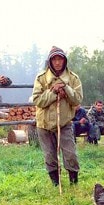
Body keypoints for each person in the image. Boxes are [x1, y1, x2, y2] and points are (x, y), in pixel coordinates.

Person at [31, 46, 83, 186]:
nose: (58, 62)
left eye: (60, 59)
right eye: (54, 59)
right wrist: (53, 92)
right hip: (44, 124)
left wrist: (65, 89)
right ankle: (56, 184)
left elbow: (77, 99)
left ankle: (74, 182)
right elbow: (37, 100)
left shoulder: (73, 78)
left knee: (70, 154)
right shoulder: (41, 78)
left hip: (64, 123)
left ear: (64, 60)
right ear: (50, 61)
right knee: (49, 155)